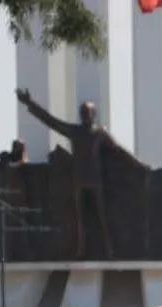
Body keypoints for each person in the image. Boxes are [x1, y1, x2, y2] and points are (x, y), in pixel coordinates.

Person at [15, 90, 145, 260]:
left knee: (102, 217)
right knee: (81, 219)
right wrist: (30, 104)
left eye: (88, 112)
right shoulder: (74, 131)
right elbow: (51, 121)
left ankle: (110, 249)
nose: (85, 115)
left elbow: (119, 150)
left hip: (95, 180)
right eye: (82, 113)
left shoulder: (100, 133)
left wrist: (139, 164)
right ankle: (81, 250)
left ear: (94, 114)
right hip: (79, 180)